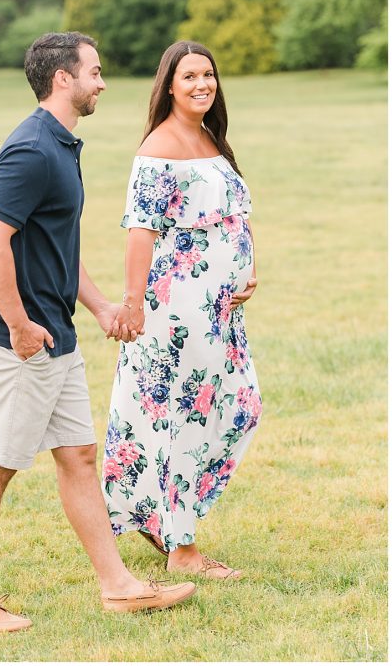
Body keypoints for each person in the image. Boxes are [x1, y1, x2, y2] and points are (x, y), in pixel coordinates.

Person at [0, 32, 196, 633]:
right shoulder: (31, 149)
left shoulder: (62, 146)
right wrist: (18, 325)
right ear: (64, 78)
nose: (103, 83)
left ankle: (120, 587)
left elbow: (56, 243)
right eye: (95, 72)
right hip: (20, 341)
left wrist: (102, 305)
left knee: (80, 458)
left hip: (56, 332)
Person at [105, 41, 260, 580]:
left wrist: (248, 269)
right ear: (168, 85)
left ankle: (167, 515)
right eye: (189, 76)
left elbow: (233, 215)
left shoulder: (209, 138)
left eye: (209, 75)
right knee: (185, 418)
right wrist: (132, 305)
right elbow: (141, 232)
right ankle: (183, 544)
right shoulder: (159, 147)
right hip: (179, 311)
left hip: (221, 311)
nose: (202, 84)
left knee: (242, 405)